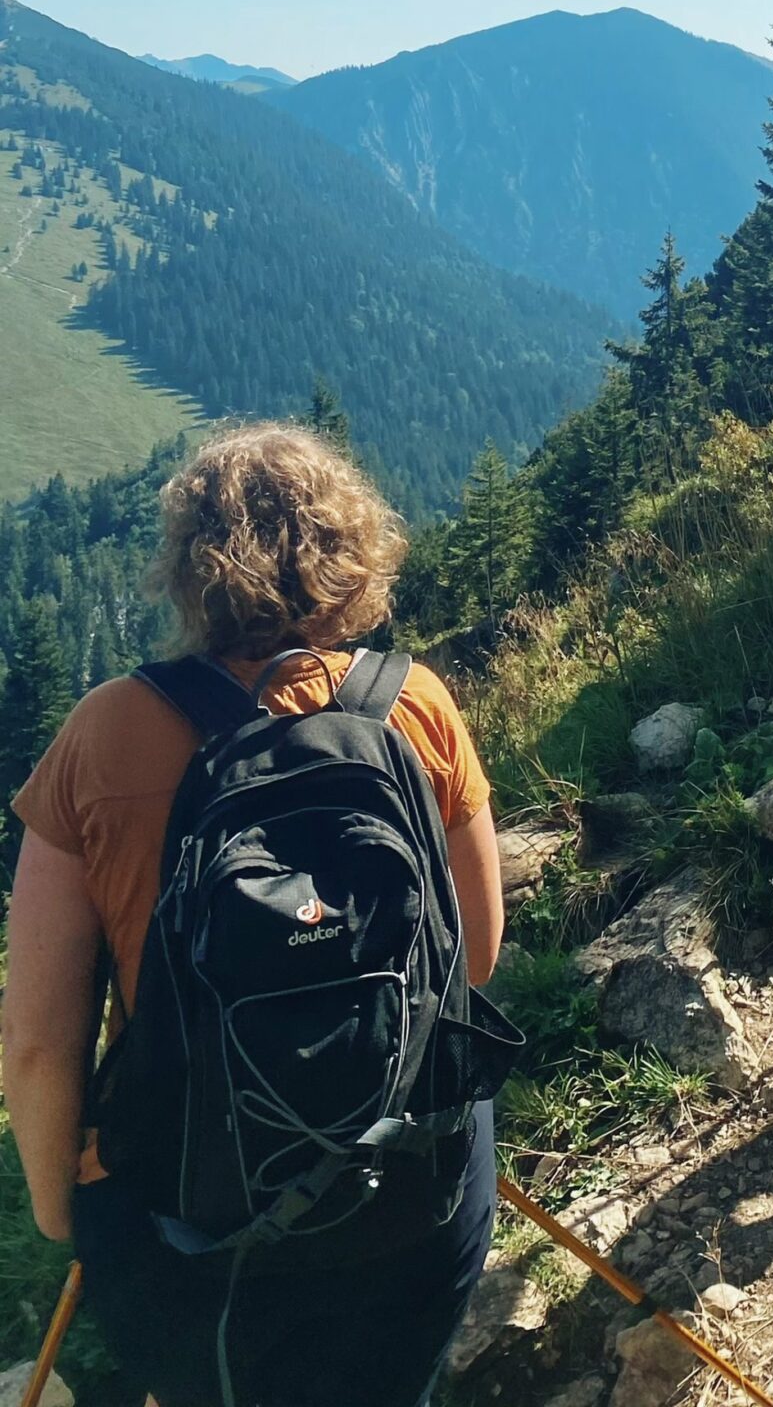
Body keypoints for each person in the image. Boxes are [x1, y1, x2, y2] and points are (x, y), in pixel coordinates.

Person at [3, 423, 506, 1407]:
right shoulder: (419, 707)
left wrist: (66, 1217)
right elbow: (474, 961)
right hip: (407, 1184)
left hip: (190, 1229)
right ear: (351, 549)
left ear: (189, 565)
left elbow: (35, 1041)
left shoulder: (101, 736)